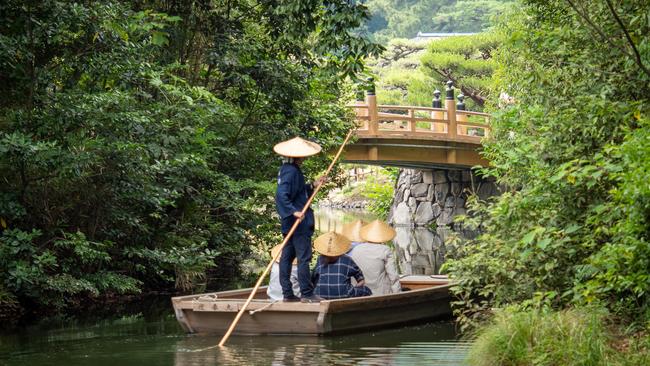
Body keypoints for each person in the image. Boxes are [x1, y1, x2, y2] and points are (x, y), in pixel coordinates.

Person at [274, 136, 325, 303]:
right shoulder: (291, 170)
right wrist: (292, 211)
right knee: (304, 257)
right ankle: (306, 293)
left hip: (291, 222)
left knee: (287, 257)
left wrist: (313, 185)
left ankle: (287, 293)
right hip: (297, 222)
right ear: (299, 156)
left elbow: (299, 192)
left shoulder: (288, 169)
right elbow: (281, 194)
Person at [312, 231, 372, 300]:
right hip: (344, 294)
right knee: (367, 290)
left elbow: (313, 278)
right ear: (339, 246)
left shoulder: (320, 259)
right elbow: (361, 280)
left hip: (320, 294)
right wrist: (355, 288)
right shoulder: (346, 258)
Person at [347, 219, 401, 296]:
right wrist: (398, 294)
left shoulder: (356, 249)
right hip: (379, 293)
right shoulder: (385, 250)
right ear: (383, 236)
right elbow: (393, 276)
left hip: (358, 292)